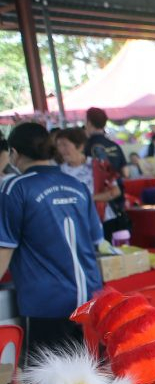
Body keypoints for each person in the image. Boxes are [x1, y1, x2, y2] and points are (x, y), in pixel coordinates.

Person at [0, 123, 103, 355]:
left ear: (14, 153)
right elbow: (97, 239)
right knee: (89, 377)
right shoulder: (77, 185)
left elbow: (3, 252)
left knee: (52, 383)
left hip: (47, 304)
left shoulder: (15, 188)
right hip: (90, 298)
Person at [53, 128, 120, 221]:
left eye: (65, 145)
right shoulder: (58, 171)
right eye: (58, 145)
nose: (61, 149)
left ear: (80, 146)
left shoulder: (99, 166)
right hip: (73, 221)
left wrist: (88, 198)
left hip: (101, 219)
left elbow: (115, 192)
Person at [83, 106, 129, 237]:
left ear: (89, 122)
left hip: (96, 204)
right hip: (117, 203)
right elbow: (125, 173)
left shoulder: (85, 147)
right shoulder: (115, 146)